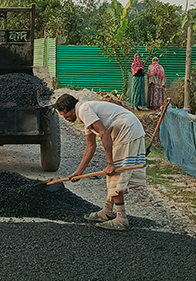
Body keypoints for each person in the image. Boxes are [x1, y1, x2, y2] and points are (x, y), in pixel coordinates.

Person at [53, 95, 149, 231]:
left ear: (70, 110)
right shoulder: (85, 115)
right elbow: (90, 146)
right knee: (112, 176)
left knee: (114, 175)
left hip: (127, 130)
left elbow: (104, 133)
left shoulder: (85, 109)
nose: (65, 119)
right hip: (125, 130)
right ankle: (107, 211)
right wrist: (78, 172)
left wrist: (110, 163)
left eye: (64, 115)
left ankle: (121, 219)